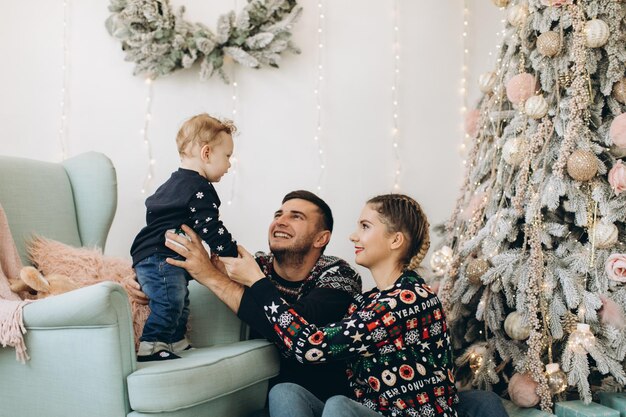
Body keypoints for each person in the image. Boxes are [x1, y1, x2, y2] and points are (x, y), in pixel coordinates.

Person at [172, 193, 458, 416]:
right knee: (285, 393)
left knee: (338, 406)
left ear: (395, 240)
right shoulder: (370, 300)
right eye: (278, 214)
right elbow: (210, 266)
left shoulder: (408, 299)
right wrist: (145, 280)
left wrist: (257, 283)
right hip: (367, 410)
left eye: (365, 226)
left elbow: (311, 344)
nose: (353, 236)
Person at [128, 190, 362, 401]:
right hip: (258, 394)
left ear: (321, 238)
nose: (280, 221)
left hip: (324, 399)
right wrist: (149, 277)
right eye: (278, 214)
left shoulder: (339, 274)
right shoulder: (257, 264)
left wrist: (216, 276)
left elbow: (299, 325)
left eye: (296, 216)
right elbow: (193, 269)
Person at [130, 113, 239, 362]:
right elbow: (210, 227)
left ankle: (176, 340)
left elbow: (153, 216)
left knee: (180, 299)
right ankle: (151, 345)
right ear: (207, 153)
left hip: (150, 255)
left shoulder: (173, 183)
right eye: (228, 156)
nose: (230, 164)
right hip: (160, 257)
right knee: (170, 300)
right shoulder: (199, 188)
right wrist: (229, 252)